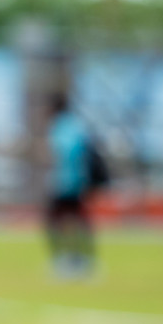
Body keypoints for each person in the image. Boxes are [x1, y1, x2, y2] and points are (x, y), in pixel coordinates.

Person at [44, 91, 95, 279]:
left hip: (64, 182)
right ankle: (83, 259)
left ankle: (65, 259)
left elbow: (63, 155)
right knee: (79, 221)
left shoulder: (60, 127)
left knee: (55, 223)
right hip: (78, 181)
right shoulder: (76, 126)